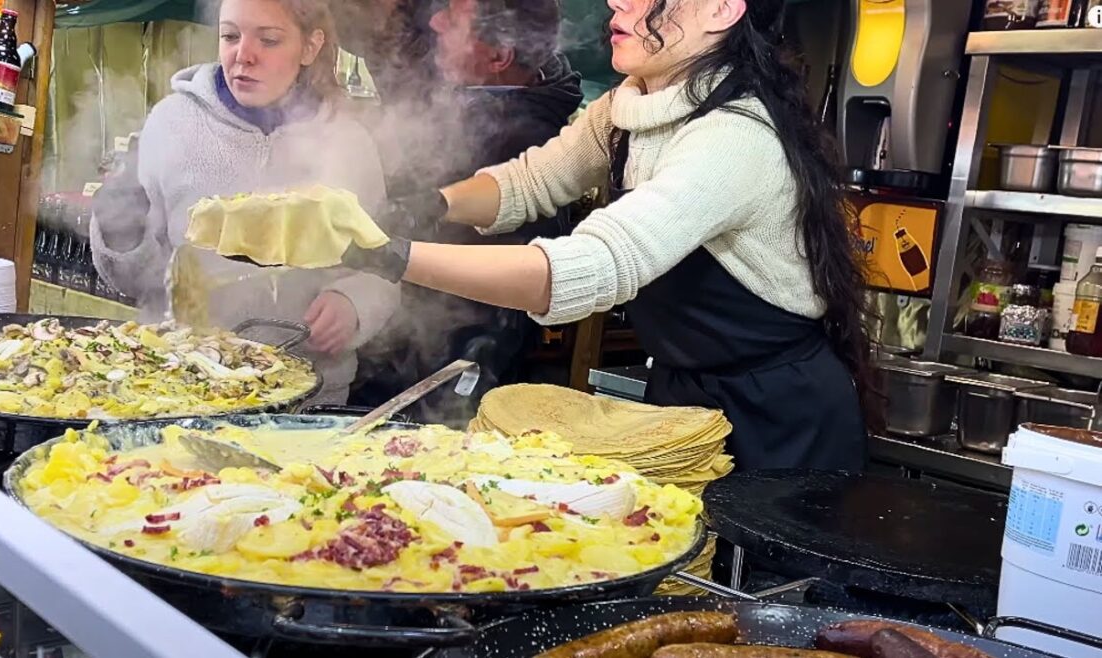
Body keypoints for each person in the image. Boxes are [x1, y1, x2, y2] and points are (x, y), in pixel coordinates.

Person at [338, 0, 879, 470]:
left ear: (721, 10)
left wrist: (390, 256)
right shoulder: (626, 107)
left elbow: (592, 265)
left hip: (778, 419)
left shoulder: (735, 137)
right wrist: (427, 208)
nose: (616, 3)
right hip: (683, 398)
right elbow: (530, 181)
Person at [91, 0, 399, 405]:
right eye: (230, 36)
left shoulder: (349, 143)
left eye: (268, 40)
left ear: (310, 46)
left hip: (308, 397)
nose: (243, 55)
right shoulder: (172, 123)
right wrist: (121, 233)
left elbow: (387, 267)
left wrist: (354, 304)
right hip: (181, 385)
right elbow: (139, 282)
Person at [349, 0, 584, 424]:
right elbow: (389, 41)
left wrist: (384, 252)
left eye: (454, 19)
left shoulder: (524, 139)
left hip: (451, 366)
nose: (435, 22)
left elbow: (498, 310)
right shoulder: (468, 93)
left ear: (498, 57)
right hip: (392, 338)